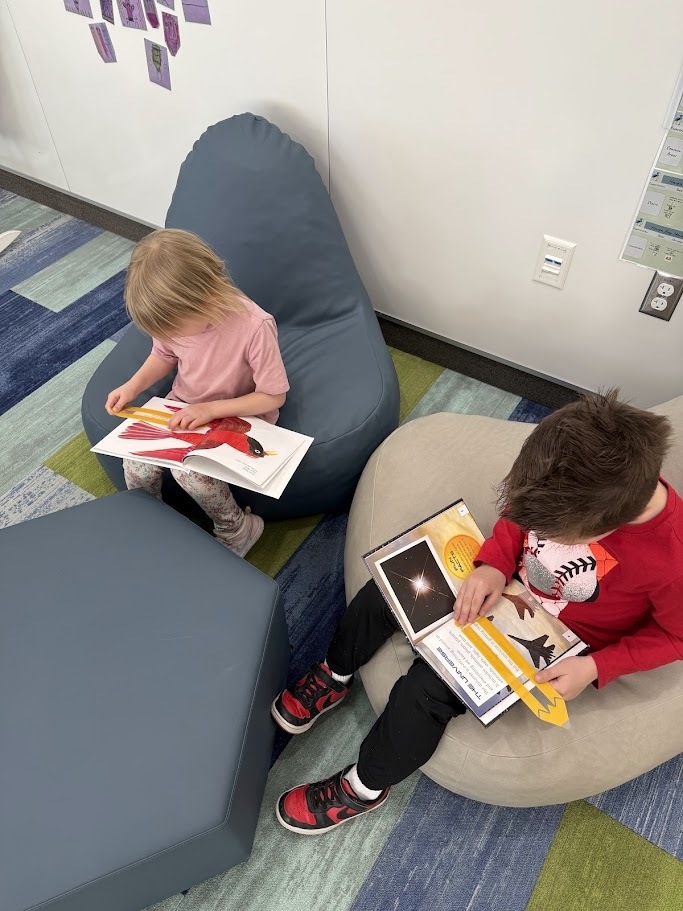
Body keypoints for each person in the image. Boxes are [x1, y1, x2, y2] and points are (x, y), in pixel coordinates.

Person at [271, 391, 683, 834]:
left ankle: (363, 788)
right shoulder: (570, 488)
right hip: (499, 585)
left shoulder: (670, 558)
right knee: (388, 592)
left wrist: (597, 667)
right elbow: (519, 513)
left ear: (604, 527)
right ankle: (334, 673)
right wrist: (493, 564)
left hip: (548, 639)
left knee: (425, 692)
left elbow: (675, 637)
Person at [106, 229, 289, 557]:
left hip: (238, 417)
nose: (170, 336)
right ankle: (151, 520)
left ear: (207, 298)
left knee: (189, 471)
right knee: (137, 462)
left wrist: (210, 410)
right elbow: (163, 354)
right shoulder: (176, 320)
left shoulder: (254, 326)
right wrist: (132, 386)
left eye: (173, 328)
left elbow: (273, 396)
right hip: (186, 406)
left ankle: (238, 528)